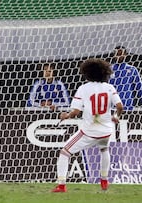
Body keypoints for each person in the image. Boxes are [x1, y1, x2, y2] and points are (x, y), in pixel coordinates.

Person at [52, 58, 123, 193]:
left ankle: (61, 185)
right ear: (104, 72)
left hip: (89, 131)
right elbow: (120, 106)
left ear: (87, 73)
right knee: (104, 150)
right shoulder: (109, 87)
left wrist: (66, 116)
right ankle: (104, 180)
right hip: (106, 130)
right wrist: (116, 117)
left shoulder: (83, 88)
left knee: (64, 152)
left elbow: (76, 111)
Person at [109, 46, 142, 110]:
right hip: (112, 107)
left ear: (125, 55)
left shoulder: (132, 69)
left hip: (128, 106)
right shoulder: (109, 70)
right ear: (114, 55)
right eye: (117, 54)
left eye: (121, 54)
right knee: (114, 119)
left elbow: (139, 88)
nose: (119, 56)